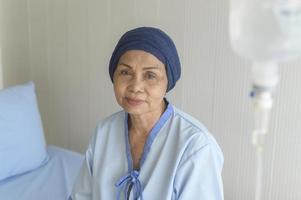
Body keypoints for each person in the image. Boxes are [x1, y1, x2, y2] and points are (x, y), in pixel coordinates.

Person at [69, 27, 224, 200]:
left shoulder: (196, 146)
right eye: (125, 72)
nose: (135, 87)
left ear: (168, 82)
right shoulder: (103, 132)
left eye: (150, 75)